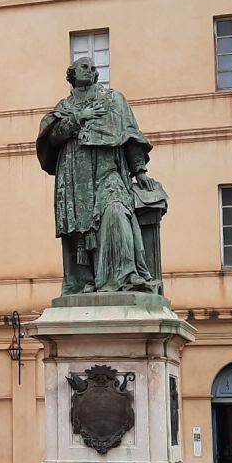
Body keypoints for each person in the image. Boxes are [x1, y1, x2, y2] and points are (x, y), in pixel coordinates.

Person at [35, 58, 165, 294]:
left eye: (94, 67)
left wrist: (140, 170)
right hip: (74, 174)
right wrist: (78, 118)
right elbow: (51, 138)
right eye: (84, 66)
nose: (92, 69)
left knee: (116, 210)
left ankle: (125, 275)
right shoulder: (63, 108)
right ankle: (85, 281)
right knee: (79, 230)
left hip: (108, 169)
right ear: (71, 74)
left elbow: (129, 134)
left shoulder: (114, 100)